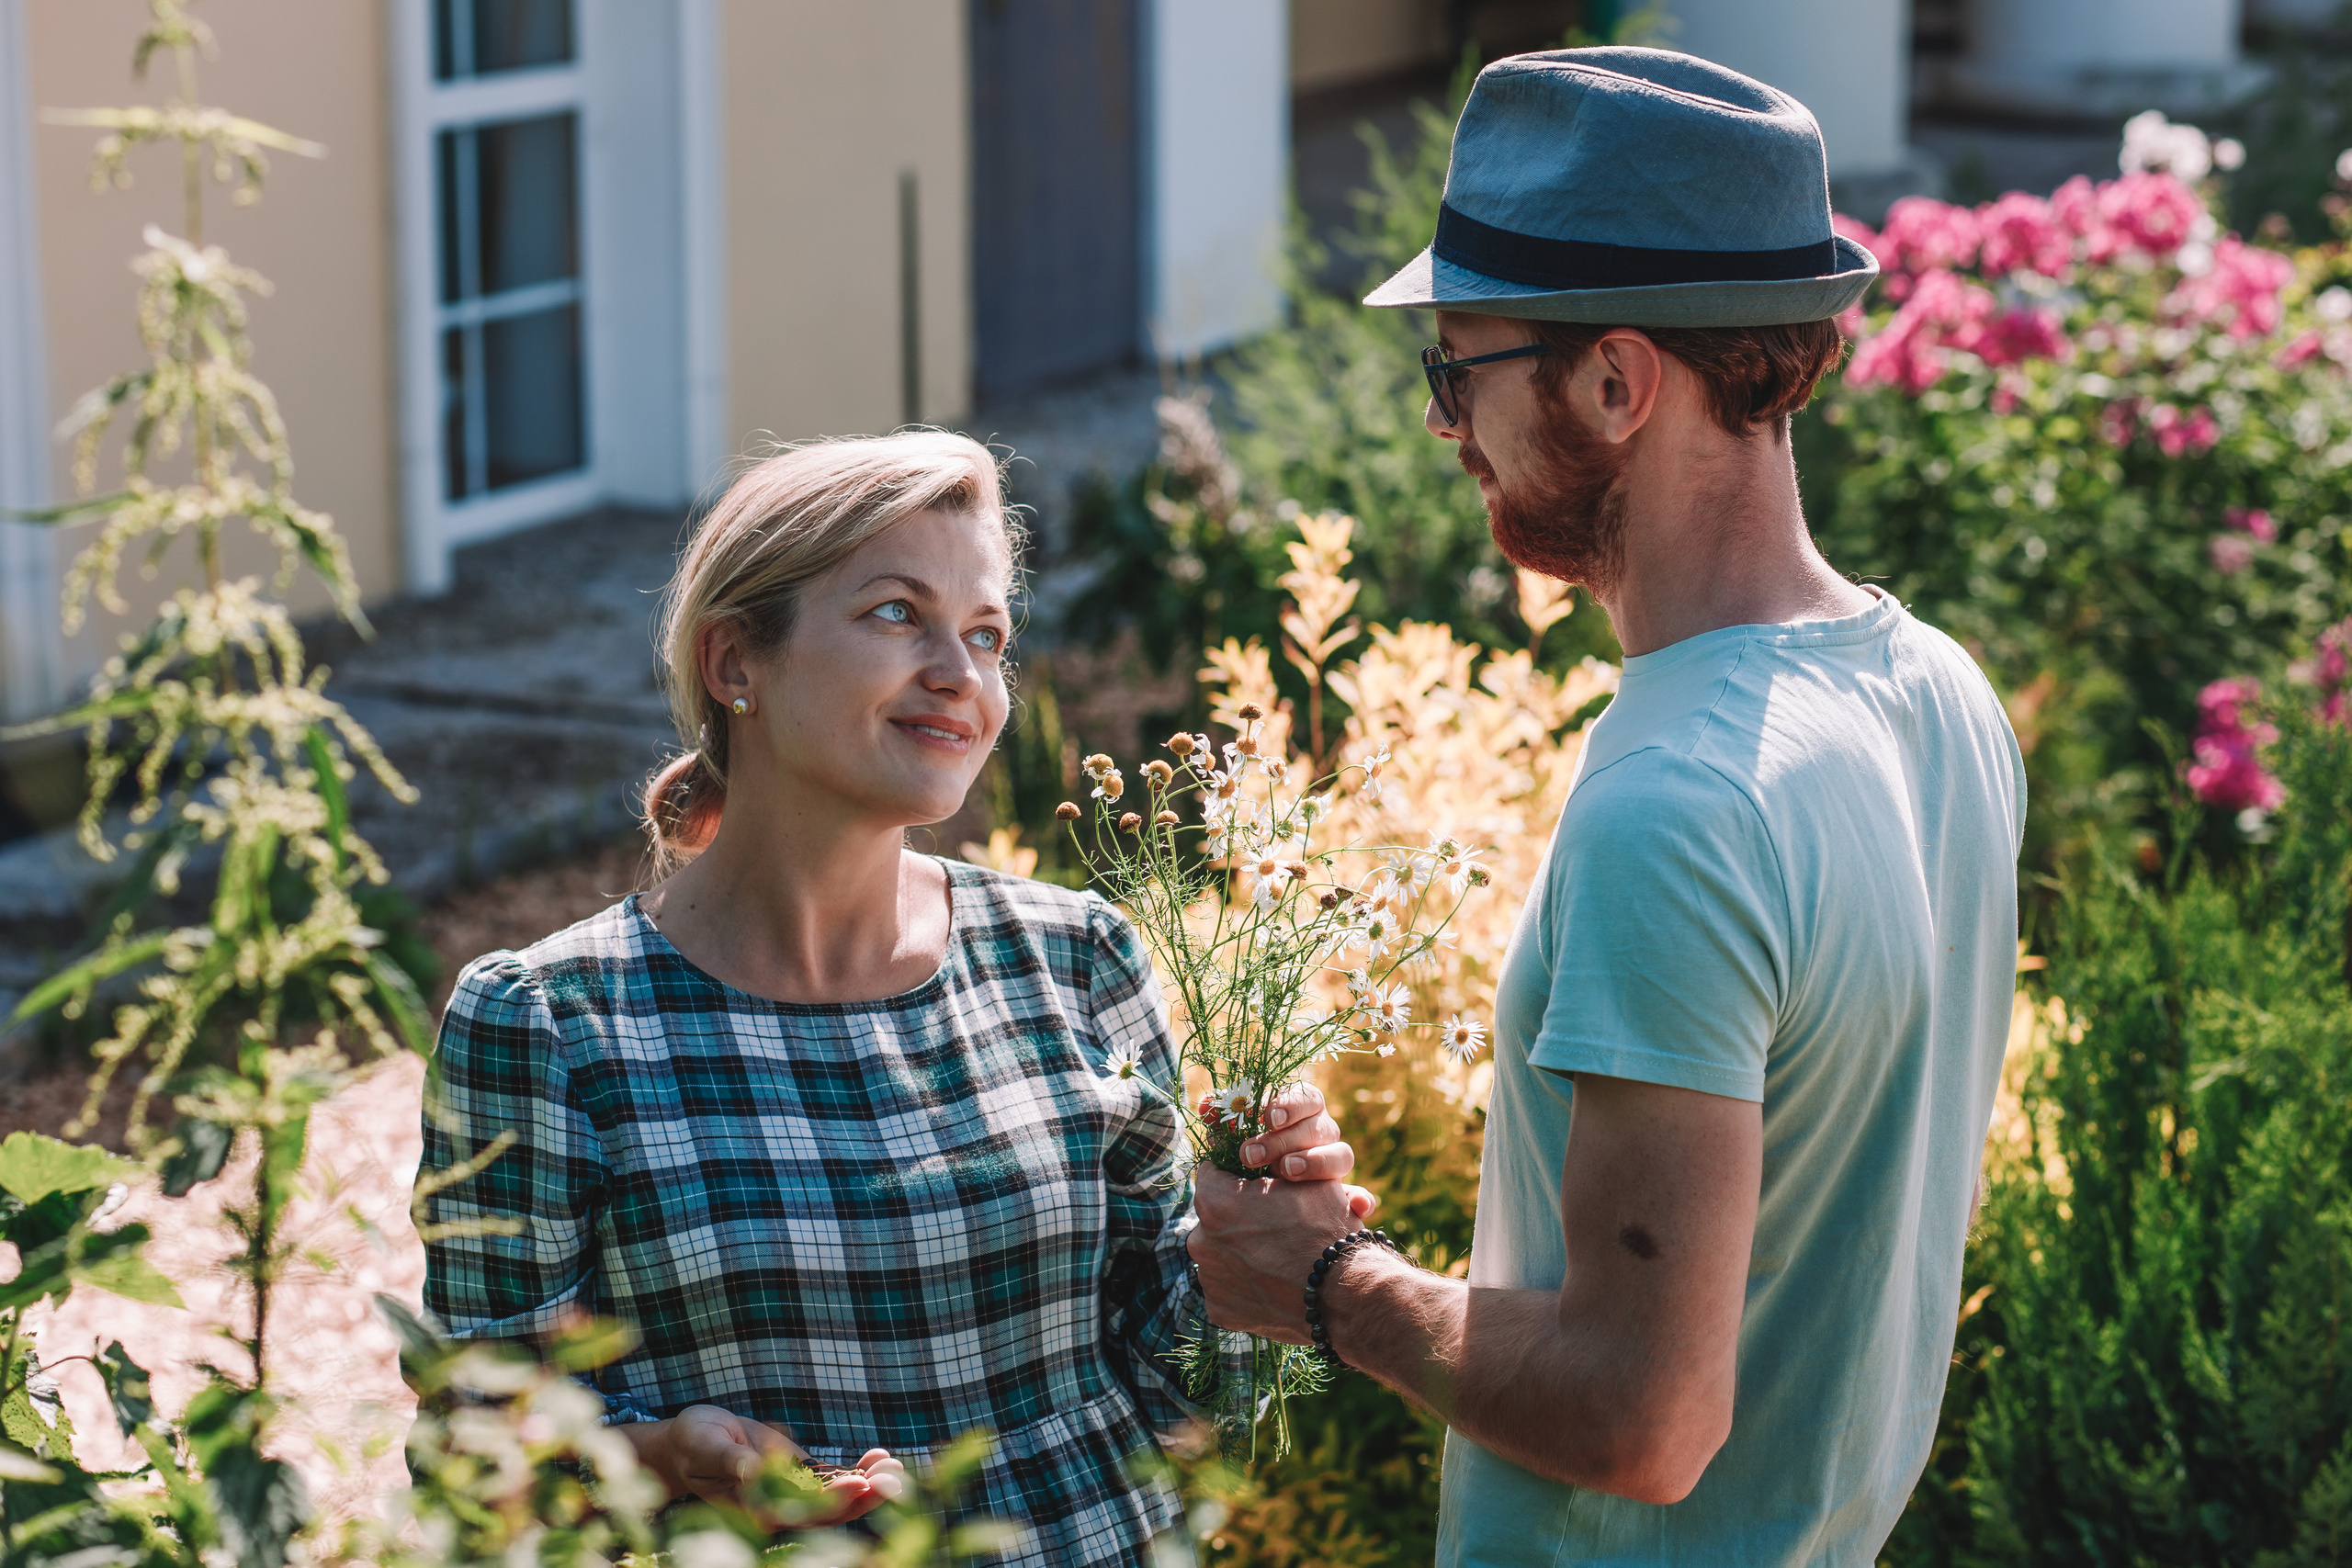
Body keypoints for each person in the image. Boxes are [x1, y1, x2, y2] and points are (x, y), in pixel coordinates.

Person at [1186, 47, 2027, 1566]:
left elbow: (1643, 1417)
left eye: (1458, 368)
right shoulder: (1941, 695)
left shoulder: (1680, 807)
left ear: (1618, 381)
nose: (1446, 427)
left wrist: (1324, 1277)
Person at [418, 432, 1366, 1564]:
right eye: (894, 615)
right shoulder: (548, 1026)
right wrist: (662, 1459)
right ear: (735, 663)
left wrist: (1269, 1240)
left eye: (985, 635)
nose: (960, 676)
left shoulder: (1077, 959)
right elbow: (474, 1457)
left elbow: (1192, 1390)